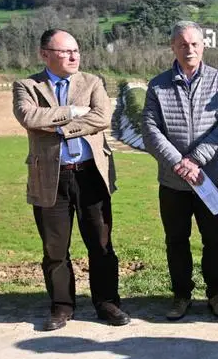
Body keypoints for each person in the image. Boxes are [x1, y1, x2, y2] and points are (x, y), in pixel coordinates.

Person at [12, 28, 130, 331]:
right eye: (65, 51)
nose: (74, 56)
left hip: (91, 176)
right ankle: (61, 306)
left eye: (76, 50)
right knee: (55, 249)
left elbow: (102, 117)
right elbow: (29, 117)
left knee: (101, 245)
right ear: (45, 54)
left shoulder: (92, 82)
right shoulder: (26, 86)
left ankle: (107, 303)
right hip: (50, 178)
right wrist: (74, 112)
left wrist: (62, 127)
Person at [142, 20, 218, 321]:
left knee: (214, 239)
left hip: (210, 179)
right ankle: (181, 295)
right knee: (176, 240)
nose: (190, 49)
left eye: (195, 44)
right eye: (183, 44)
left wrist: (195, 158)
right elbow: (149, 129)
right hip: (173, 182)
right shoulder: (157, 86)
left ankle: (217, 294)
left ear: (203, 46)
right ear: (173, 47)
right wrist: (177, 163)